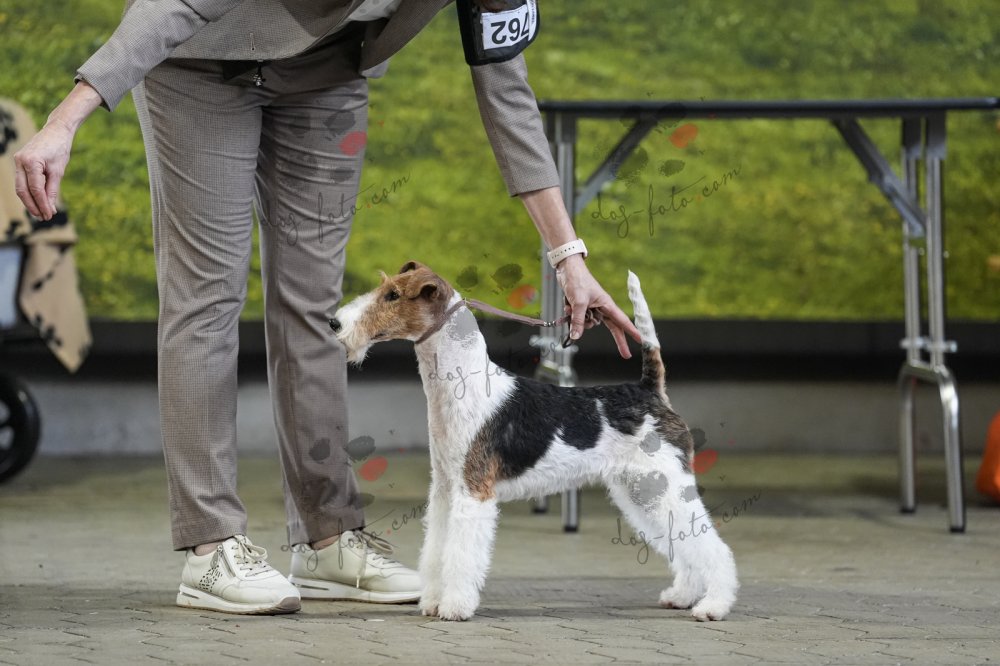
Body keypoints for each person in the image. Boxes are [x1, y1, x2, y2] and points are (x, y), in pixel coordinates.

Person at [14, 0, 641, 615]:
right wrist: (66, 119)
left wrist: (569, 258)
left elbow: (506, 90)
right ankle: (211, 545)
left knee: (319, 312)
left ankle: (328, 539)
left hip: (327, 72)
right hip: (203, 63)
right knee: (206, 299)